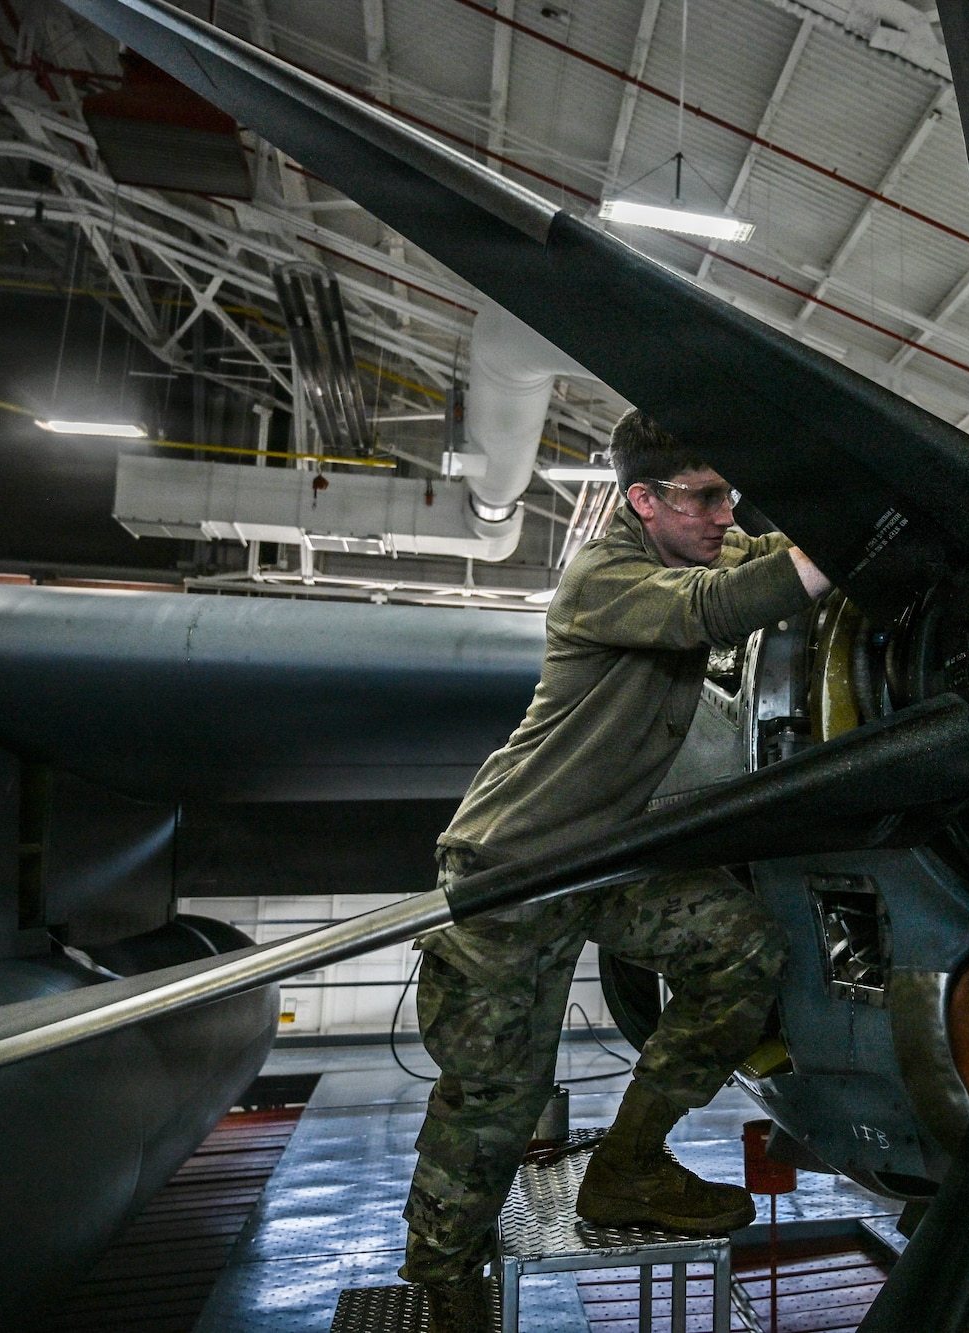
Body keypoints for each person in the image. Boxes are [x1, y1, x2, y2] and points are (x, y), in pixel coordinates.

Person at [401, 409, 832, 1325]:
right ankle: (442, 1285)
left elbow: (770, 549)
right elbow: (712, 610)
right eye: (703, 497)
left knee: (742, 947)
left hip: (606, 859)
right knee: (494, 1104)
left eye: (728, 495)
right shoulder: (605, 575)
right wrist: (833, 557)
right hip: (513, 869)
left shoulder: (698, 539)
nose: (723, 514)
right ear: (643, 500)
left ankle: (630, 1163)